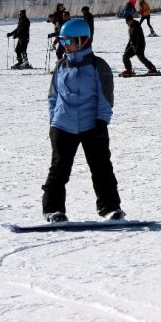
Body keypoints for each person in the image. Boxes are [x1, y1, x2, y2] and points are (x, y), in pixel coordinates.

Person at [43, 18, 123, 223]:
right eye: (62, 41)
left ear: (82, 40)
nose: (64, 45)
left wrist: (101, 122)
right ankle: (53, 210)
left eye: (68, 41)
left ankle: (110, 208)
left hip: (92, 125)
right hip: (63, 125)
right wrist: (54, 121)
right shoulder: (61, 66)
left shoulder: (98, 66)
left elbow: (105, 97)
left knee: (101, 167)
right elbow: (53, 97)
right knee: (59, 169)